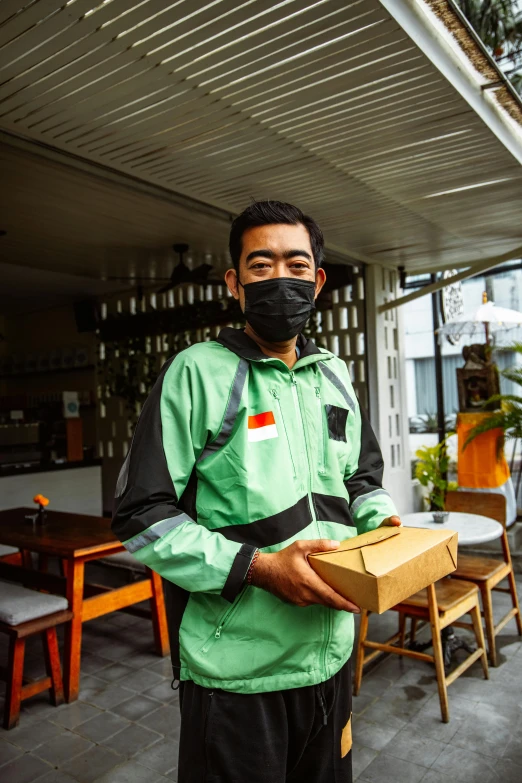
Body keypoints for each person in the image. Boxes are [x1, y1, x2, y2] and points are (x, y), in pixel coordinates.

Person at [112, 200, 401, 783]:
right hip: (236, 673)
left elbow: (361, 478)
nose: (280, 280)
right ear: (235, 283)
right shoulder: (196, 373)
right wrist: (261, 568)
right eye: (261, 266)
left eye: (296, 266)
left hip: (332, 656)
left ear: (317, 281)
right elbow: (142, 514)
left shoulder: (334, 375)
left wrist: (385, 528)